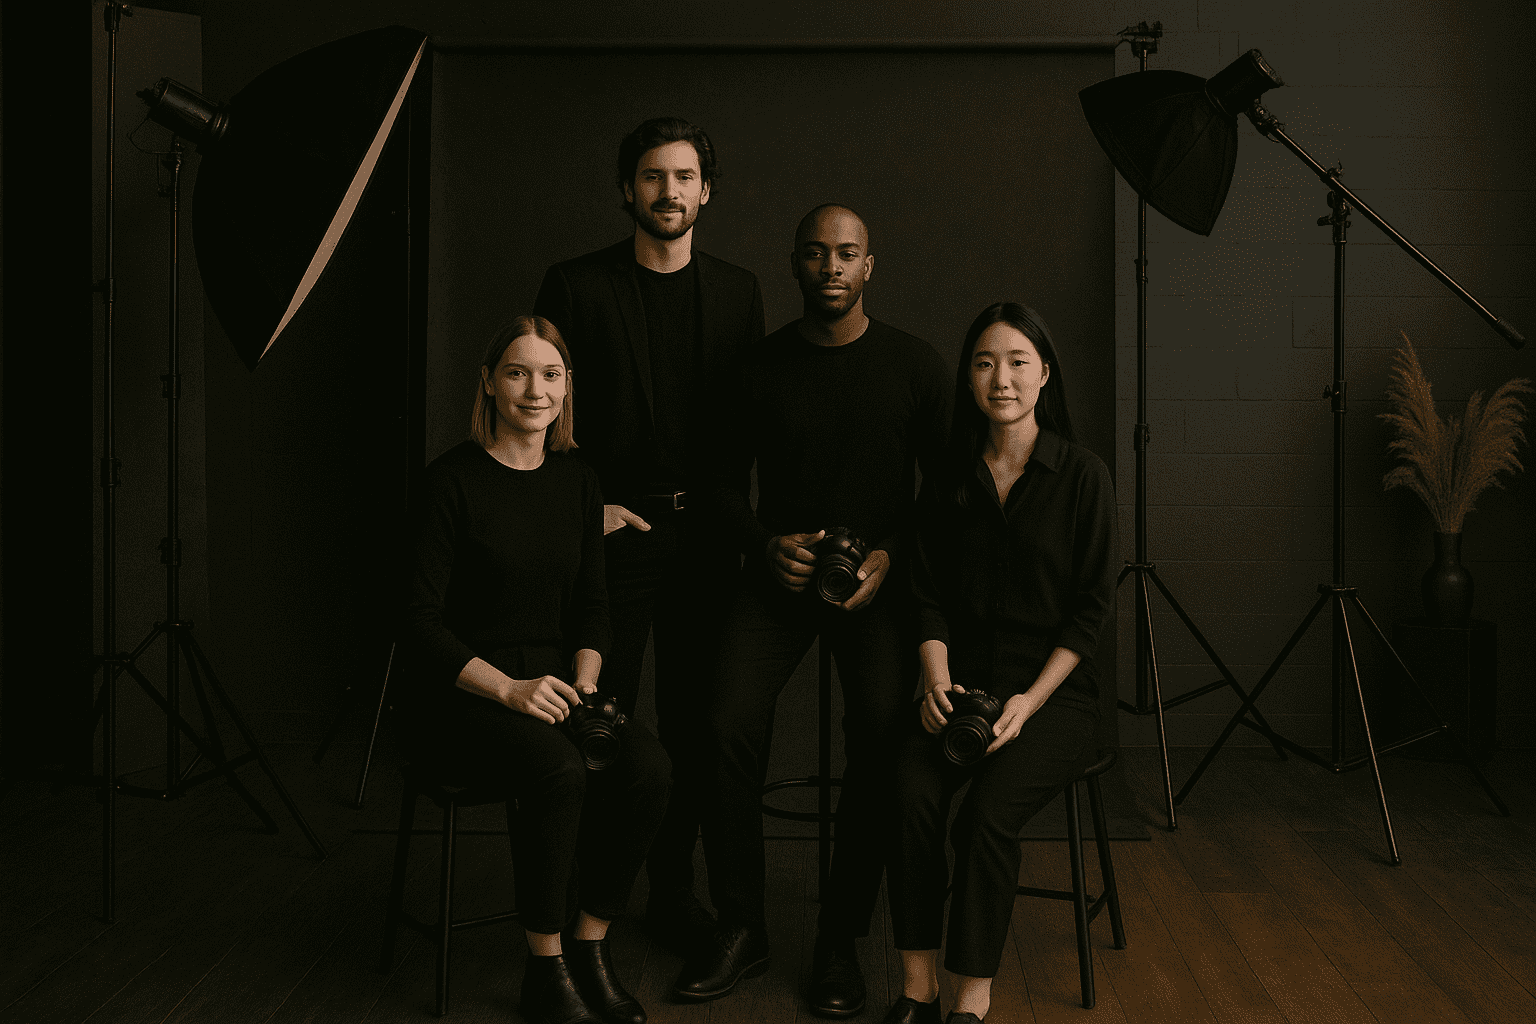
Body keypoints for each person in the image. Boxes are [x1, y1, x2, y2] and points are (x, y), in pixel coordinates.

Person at [676, 204, 950, 1016]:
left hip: (874, 584)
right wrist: (765, 544)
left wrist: (889, 555)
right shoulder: (758, 367)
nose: (831, 267)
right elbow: (717, 483)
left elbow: (944, 494)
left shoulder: (915, 364)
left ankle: (839, 939)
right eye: (815, 254)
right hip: (780, 579)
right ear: (795, 264)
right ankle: (742, 923)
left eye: (846, 254)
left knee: (880, 736)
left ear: (870, 266)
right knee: (722, 723)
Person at [533, 117, 765, 955]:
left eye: (684, 176)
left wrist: (739, 527)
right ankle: (583, 898)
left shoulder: (738, 291)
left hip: (705, 541)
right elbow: (540, 408)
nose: (669, 191)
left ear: (707, 190)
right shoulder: (575, 285)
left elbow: (743, 427)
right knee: (600, 723)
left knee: (695, 729)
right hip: (613, 539)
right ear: (626, 189)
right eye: (653, 176)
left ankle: (672, 892)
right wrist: (582, 509)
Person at [404, 316, 670, 1024]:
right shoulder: (449, 482)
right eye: (517, 373)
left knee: (648, 768)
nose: (535, 390)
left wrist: (586, 682)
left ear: (567, 387)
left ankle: (590, 943)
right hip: (467, 692)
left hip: (554, 686)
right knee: (558, 769)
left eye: (550, 375)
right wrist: (509, 689)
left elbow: (592, 605)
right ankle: (544, 966)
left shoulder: (578, 479)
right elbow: (418, 623)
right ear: (489, 383)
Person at [883, 302, 1116, 1024]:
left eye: (1018, 362)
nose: (1001, 379)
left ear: (1045, 374)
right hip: (960, 688)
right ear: (969, 379)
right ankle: (917, 986)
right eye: (985, 363)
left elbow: (1090, 612)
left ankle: (971, 998)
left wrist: (1028, 703)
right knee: (909, 795)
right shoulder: (949, 477)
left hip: (1055, 699)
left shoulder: (1083, 476)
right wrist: (934, 682)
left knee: (984, 819)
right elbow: (924, 595)